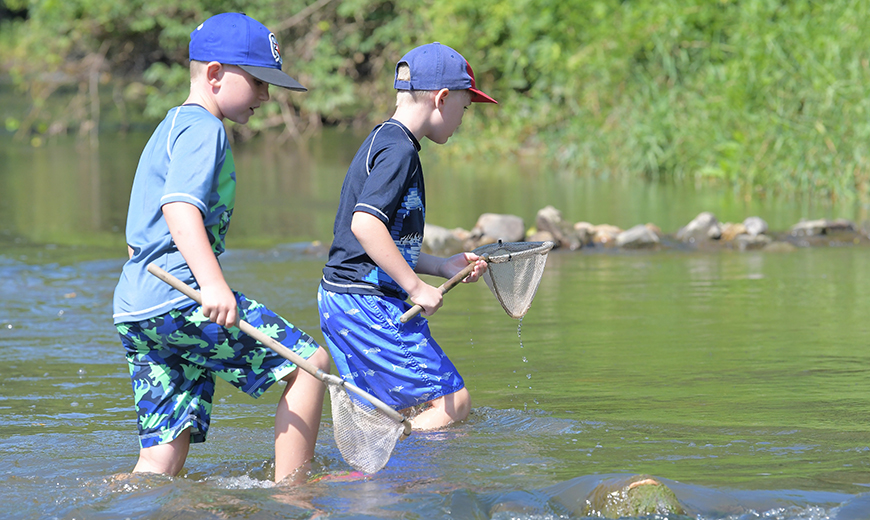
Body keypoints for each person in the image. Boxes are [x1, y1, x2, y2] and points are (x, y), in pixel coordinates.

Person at [112, 12, 330, 484]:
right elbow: (178, 208)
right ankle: (295, 493)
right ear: (214, 74)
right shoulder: (203, 130)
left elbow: (137, 235)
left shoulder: (168, 127)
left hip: (137, 308)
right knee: (310, 366)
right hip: (181, 300)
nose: (267, 96)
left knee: (160, 460)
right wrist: (212, 284)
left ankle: (113, 504)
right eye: (257, 82)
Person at [318, 42, 497, 430]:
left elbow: (378, 246)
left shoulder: (385, 140)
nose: (463, 120)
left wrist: (439, 265)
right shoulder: (400, 151)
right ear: (442, 98)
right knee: (453, 403)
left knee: (391, 411)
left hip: (349, 297)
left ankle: (381, 484)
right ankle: (388, 462)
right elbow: (365, 226)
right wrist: (416, 288)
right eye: (464, 109)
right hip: (366, 303)